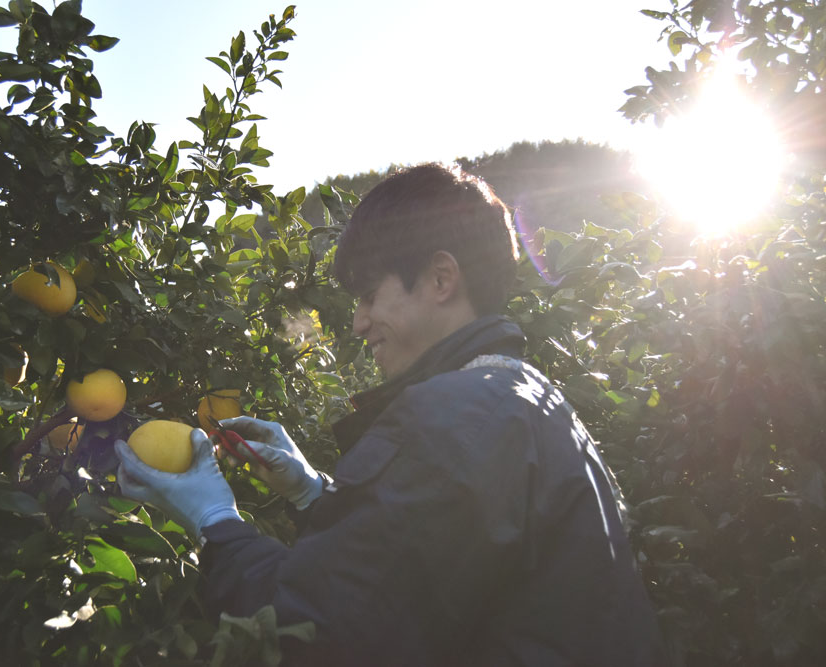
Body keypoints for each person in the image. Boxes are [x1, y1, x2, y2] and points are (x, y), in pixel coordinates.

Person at [115, 163, 668, 666]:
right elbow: (435, 564)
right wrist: (314, 493)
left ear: (440, 279)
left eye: (369, 295)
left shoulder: (453, 416)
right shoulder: (521, 396)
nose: (358, 323)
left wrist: (216, 523)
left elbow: (314, 634)